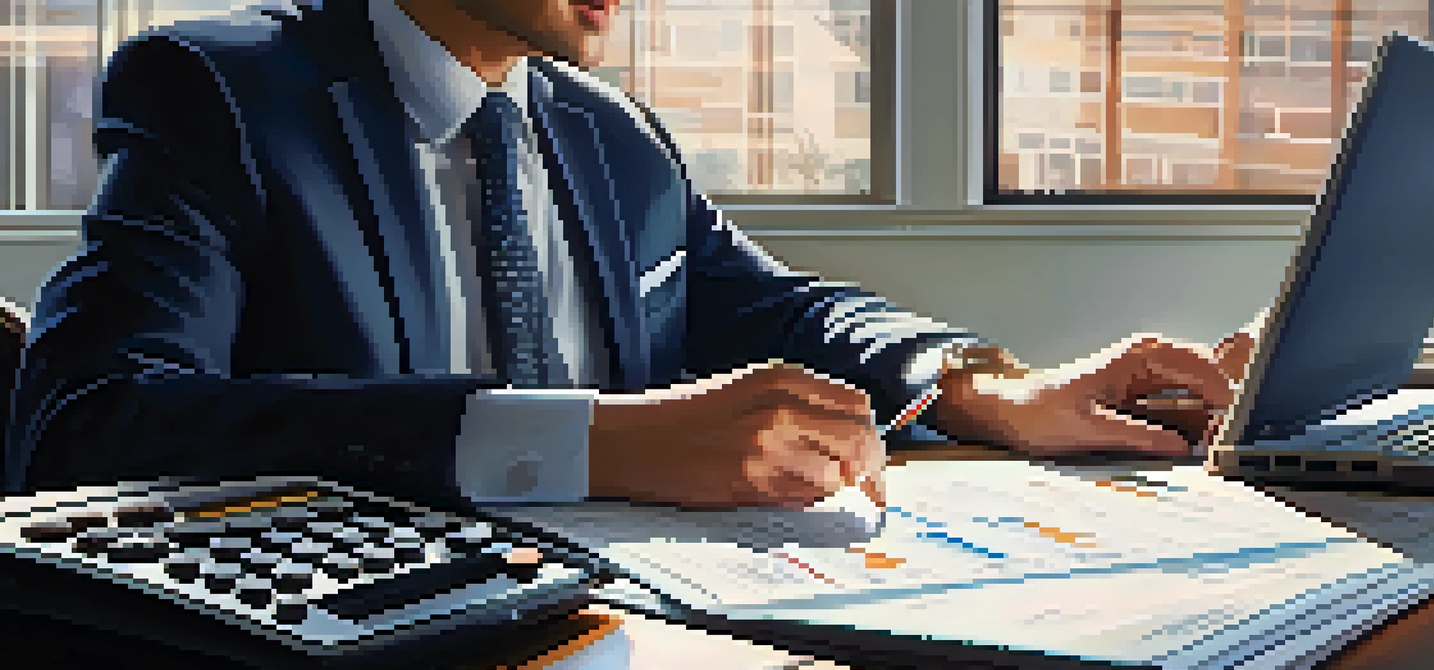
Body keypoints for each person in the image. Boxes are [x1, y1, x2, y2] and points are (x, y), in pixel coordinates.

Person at [4, 0, 1254, 510]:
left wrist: (988, 383)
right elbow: (85, 422)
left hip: (637, 657)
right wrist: (591, 436)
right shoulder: (220, 91)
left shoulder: (609, 132)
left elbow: (779, 310)